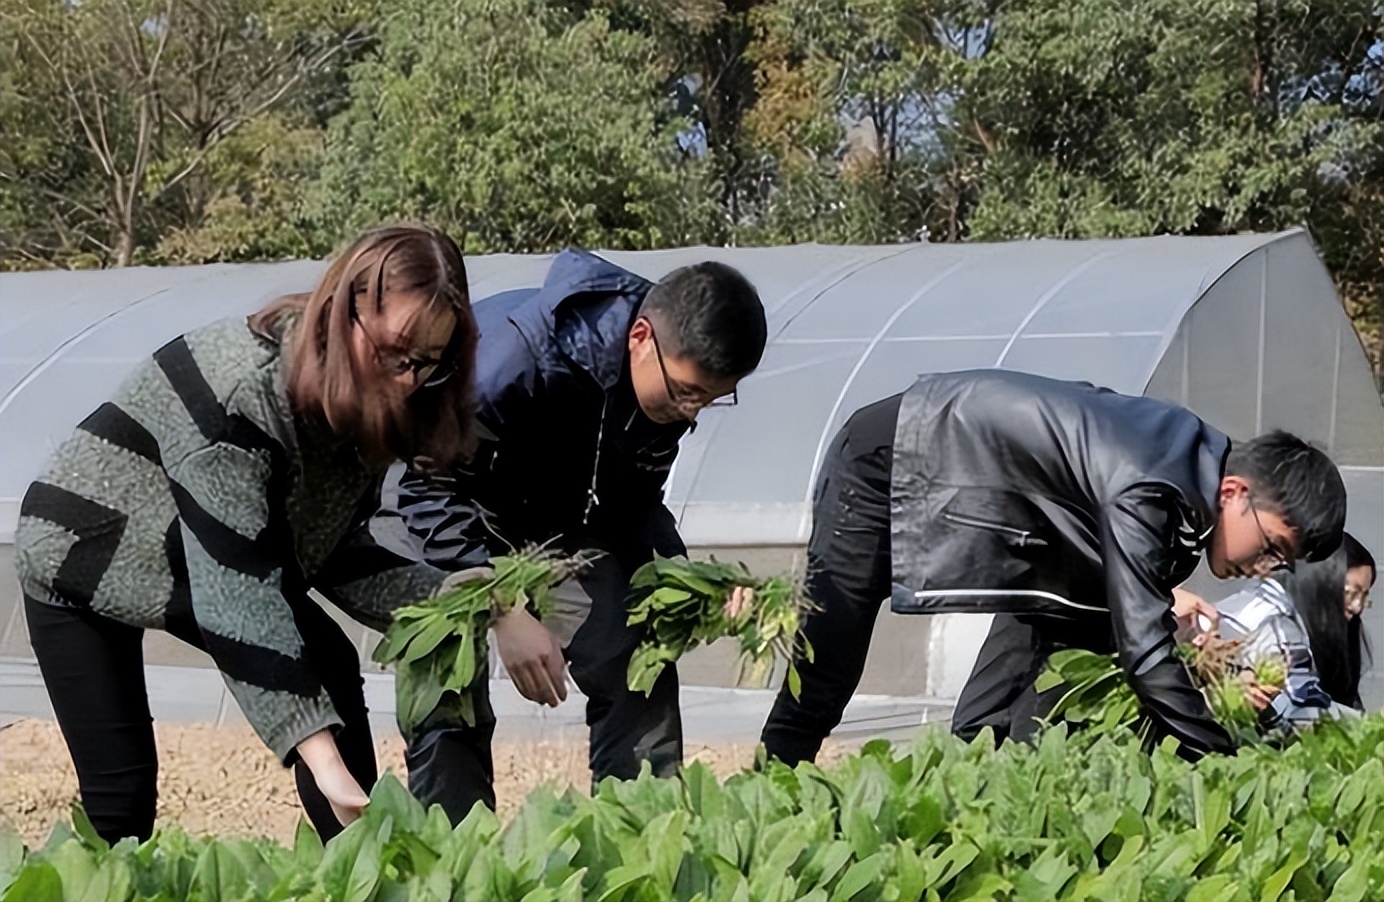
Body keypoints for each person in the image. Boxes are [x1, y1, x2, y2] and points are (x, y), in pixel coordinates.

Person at [14, 225, 478, 844]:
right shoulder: (241, 394)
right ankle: (355, 847)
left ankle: (359, 862)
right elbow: (237, 597)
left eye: (429, 362)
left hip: (184, 547)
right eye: (397, 353)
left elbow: (330, 550)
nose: (408, 381)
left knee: (327, 658)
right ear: (346, 312)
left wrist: (474, 600)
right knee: (120, 803)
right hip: (81, 545)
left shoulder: (352, 397)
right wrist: (319, 754)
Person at [758, 369, 1347, 765]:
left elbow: (1123, 619)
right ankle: (771, 787)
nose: (1265, 568)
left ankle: (975, 763)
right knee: (828, 659)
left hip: (1022, 528)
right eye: (1273, 546)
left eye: (1281, 563)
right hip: (891, 457)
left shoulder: (1190, 476)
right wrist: (1226, 762)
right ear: (1236, 492)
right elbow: (1143, 648)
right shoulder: (1154, 484)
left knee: (1072, 627)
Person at [373, 249, 767, 821]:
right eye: (687, 392)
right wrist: (499, 605)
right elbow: (424, 490)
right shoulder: (512, 361)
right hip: (439, 508)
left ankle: (641, 835)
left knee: (636, 654)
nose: (694, 412)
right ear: (640, 337)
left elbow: (633, 506)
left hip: (549, 525)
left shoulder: (660, 403)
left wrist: (689, 580)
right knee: (446, 666)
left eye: (711, 397)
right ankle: (453, 853)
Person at [1207, 531, 1375, 727]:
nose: (1357, 607)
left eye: (1364, 597)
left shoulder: (1268, 605)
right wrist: (1367, 726)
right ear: (1319, 582)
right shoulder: (1277, 624)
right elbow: (1298, 709)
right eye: (1351, 593)